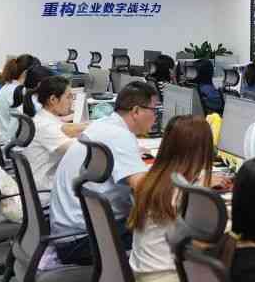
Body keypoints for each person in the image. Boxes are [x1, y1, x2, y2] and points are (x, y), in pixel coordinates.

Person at [50, 81, 159, 265]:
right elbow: (144, 188)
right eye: (154, 110)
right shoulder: (119, 135)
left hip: (71, 231)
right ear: (136, 111)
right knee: (168, 235)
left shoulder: (103, 125)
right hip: (82, 240)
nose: (156, 116)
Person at [128, 115, 214, 282]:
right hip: (166, 275)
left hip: (143, 270)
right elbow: (205, 241)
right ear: (202, 150)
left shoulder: (154, 178)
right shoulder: (184, 191)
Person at [23, 75, 89, 191]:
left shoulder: (43, 117)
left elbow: (65, 127)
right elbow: (79, 150)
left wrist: (92, 126)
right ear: (53, 99)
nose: (72, 102)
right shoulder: (46, 126)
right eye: (68, 97)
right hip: (44, 188)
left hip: (39, 181)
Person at [0, 54, 39, 146]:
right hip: (8, 144)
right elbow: (39, 115)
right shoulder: (19, 92)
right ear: (26, 73)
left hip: (0, 140)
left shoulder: (8, 86)